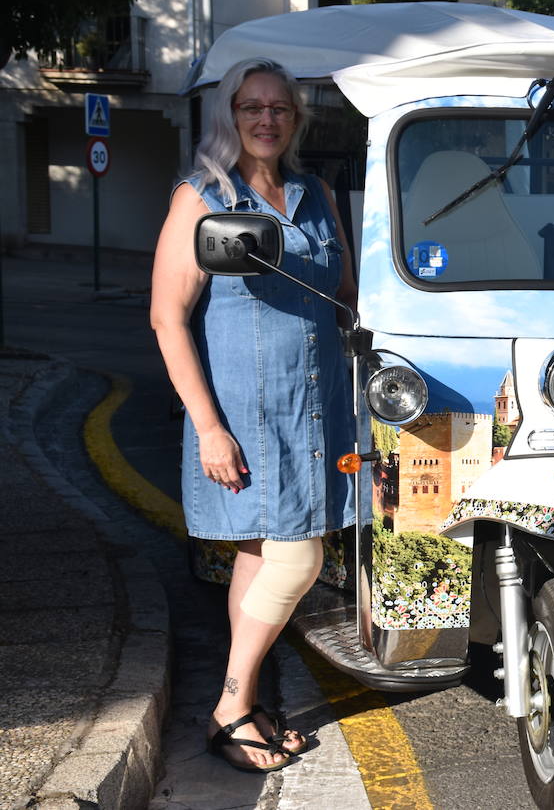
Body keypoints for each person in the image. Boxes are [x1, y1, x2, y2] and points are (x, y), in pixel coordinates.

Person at [150, 58, 357, 773]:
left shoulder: (317, 194)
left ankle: (243, 703)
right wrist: (208, 426)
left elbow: (345, 301)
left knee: (258, 556)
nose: (266, 120)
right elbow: (167, 319)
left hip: (317, 408)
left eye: (280, 109)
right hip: (244, 414)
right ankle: (232, 706)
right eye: (251, 107)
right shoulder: (204, 196)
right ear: (229, 114)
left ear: (295, 120)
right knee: (300, 558)